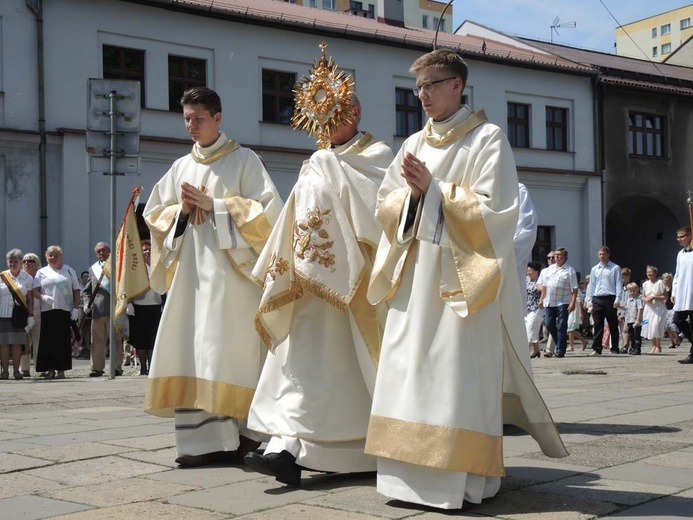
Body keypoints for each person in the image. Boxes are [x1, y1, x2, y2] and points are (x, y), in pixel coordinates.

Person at [363, 49, 567, 510]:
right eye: (418, 87)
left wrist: (433, 191)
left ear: (457, 85)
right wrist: (413, 199)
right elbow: (386, 204)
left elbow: (497, 213)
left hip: (460, 286)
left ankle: (461, 481)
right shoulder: (412, 143)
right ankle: (404, 477)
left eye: (432, 85)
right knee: (406, 372)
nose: (423, 95)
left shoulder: (488, 140)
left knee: (454, 377)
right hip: (414, 282)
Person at [245, 93, 393, 486]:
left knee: (343, 370)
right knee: (297, 367)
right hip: (306, 288)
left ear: (355, 112)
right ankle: (283, 447)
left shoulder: (378, 158)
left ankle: (357, 448)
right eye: (316, 117)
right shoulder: (314, 163)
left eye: (332, 114)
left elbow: (383, 216)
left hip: (354, 289)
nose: (324, 125)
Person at [143, 87, 282, 467]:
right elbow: (154, 214)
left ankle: (242, 438)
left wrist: (217, 207)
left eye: (198, 118)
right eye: (186, 118)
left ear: (218, 119)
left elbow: (269, 214)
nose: (191, 126)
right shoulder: (180, 167)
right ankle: (200, 444)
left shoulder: (243, 161)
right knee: (194, 351)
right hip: (191, 279)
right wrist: (182, 213)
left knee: (226, 353)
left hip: (231, 281)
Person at [32, 246, 80, 379]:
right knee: (48, 341)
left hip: (65, 311)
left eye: (55, 255)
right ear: (46, 257)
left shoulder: (69, 270)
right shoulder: (42, 272)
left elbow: (76, 290)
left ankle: (61, 370)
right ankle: (50, 369)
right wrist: (43, 297)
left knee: (63, 342)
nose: (53, 258)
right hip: (48, 311)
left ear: (60, 256)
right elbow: (35, 290)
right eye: (50, 255)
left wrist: (76, 308)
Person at [83, 242, 122, 377]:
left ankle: (117, 367)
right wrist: (86, 304)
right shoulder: (93, 269)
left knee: (116, 340)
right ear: (95, 254)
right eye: (98, 251)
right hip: (98, 310)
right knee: (97, 341)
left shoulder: (117, 266)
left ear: (109, 251)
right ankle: (97, 368)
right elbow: (87, 290)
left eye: (104, 250)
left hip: (114, 308)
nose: (101, 253)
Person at [128, 239, 163, 376]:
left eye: (149, 249)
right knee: (141, 339)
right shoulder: (136, 267)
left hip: (155, 306)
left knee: (152, 338)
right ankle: (143, 368)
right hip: (138, 307)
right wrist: (128, 303)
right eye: (144, 250)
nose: (147, 252)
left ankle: (151, 367)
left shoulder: (158, 266)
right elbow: (129, 285)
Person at [538, 247, 578, 358]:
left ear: (565, 257)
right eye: (556, 255)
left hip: (563, 301)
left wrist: (573, 302)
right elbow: (545, 286)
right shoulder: (549, 269)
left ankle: (560, 350)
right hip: (549, 301)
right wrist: (542, 298)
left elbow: (574, 289)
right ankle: (561, 343)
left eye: (559, 255)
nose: (557, 257)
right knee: (549, 324)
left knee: (561, 326)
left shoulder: (569, 270)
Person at [0, 249, 34, 380]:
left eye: (16, 261)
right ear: (7, 262)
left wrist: (30, 315)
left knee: (16, 344)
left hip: (19, 317)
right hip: (2, 314)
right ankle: (4, 372)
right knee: (3, 345)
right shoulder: (2, 276)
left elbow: (30, 298)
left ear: (21, 262)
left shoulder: (27, 278)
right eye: (10, 261)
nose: (13, 264)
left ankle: (16, 372)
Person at [585, 246, 622, 356]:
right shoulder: (595, 269)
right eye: (600, 254)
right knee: (597, 324)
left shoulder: (615, 268)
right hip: (597, 298)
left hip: (610, 297)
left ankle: (614, 348)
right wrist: (589, 299)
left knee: (612, 324)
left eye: (604, 254)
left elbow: (618, 284)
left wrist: (618, 298)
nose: (602, 256)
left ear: (608, 255)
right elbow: (592, 285)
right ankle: (597, 348)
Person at [672, 226, 693, 364]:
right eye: (678, 237)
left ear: (690, 235)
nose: (679, 239)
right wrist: (674, 292)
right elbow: (677, 274)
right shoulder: (681, 254)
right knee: (678, 319)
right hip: (682, 292)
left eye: (682, 236)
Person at [20, 253, 42, 376]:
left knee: (39, 341)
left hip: (40, 313)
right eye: (24, 261)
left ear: (36, 263)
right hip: (24, 314)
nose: (27, 263)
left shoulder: (41, 276)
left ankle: (40, 367)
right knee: (24, 342)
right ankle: (24, 369)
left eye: (30, 261)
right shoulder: (21, 277)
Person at [641, 265, 667, 354]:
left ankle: (658, 346)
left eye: (650, 272)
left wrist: (654, 297)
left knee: (656, 326)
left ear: (655, 272)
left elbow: (665, 296)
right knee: (649, 327)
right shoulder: (645, 284)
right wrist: (646, 299)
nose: (649, 274)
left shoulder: (660, 283)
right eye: (647, 272)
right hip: (648, 308)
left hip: (658, 308)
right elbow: (643, 296)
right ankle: (653, 346)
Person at [525, 261, 543, 358]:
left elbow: (544, 289)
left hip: (537, 309)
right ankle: (536, 350)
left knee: (530, 329)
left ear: (536, 272)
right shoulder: (525, 280)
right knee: (532, 329)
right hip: (526, 308)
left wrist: (542, 298)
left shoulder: (540, 281)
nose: (528, 272)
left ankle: (524, 352)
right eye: (528, 270)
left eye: (531, 271)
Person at [662, 272, 681, 349]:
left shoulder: (673, 287)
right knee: (667, 326)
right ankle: (672, 342)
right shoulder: (662, 287)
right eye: (664, 278)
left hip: (673, 307)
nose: (665, 279)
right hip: (664, 308)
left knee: (672, 324)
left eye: (667, 278)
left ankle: (677, 338)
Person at [624, 282, 643, 355]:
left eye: (633, 291)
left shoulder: (638, 298)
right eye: (630, 291)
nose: (632, 292)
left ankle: (638, 349)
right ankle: (632, 347)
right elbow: (627, 309)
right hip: (629, 320)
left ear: (637, 290)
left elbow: (640, 309)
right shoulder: (629, 299)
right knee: (631, 335)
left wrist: (638, 320)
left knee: (637, 335)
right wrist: (619, 307)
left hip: (635, 320)